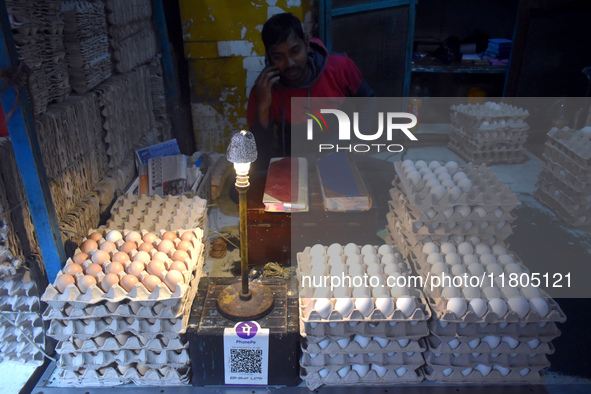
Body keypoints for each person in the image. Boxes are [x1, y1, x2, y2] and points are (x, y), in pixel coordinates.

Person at [247, 12, 375, 168]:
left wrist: (356, 141)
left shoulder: (339, 66)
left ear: (306, 44)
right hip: (295, 167)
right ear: (269, 58)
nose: (290, 63)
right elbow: (262, 155)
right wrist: (263, 106)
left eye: (295, 51)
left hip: (341, 157)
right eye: (279, 57)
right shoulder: (263, 91)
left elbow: (368, 102)